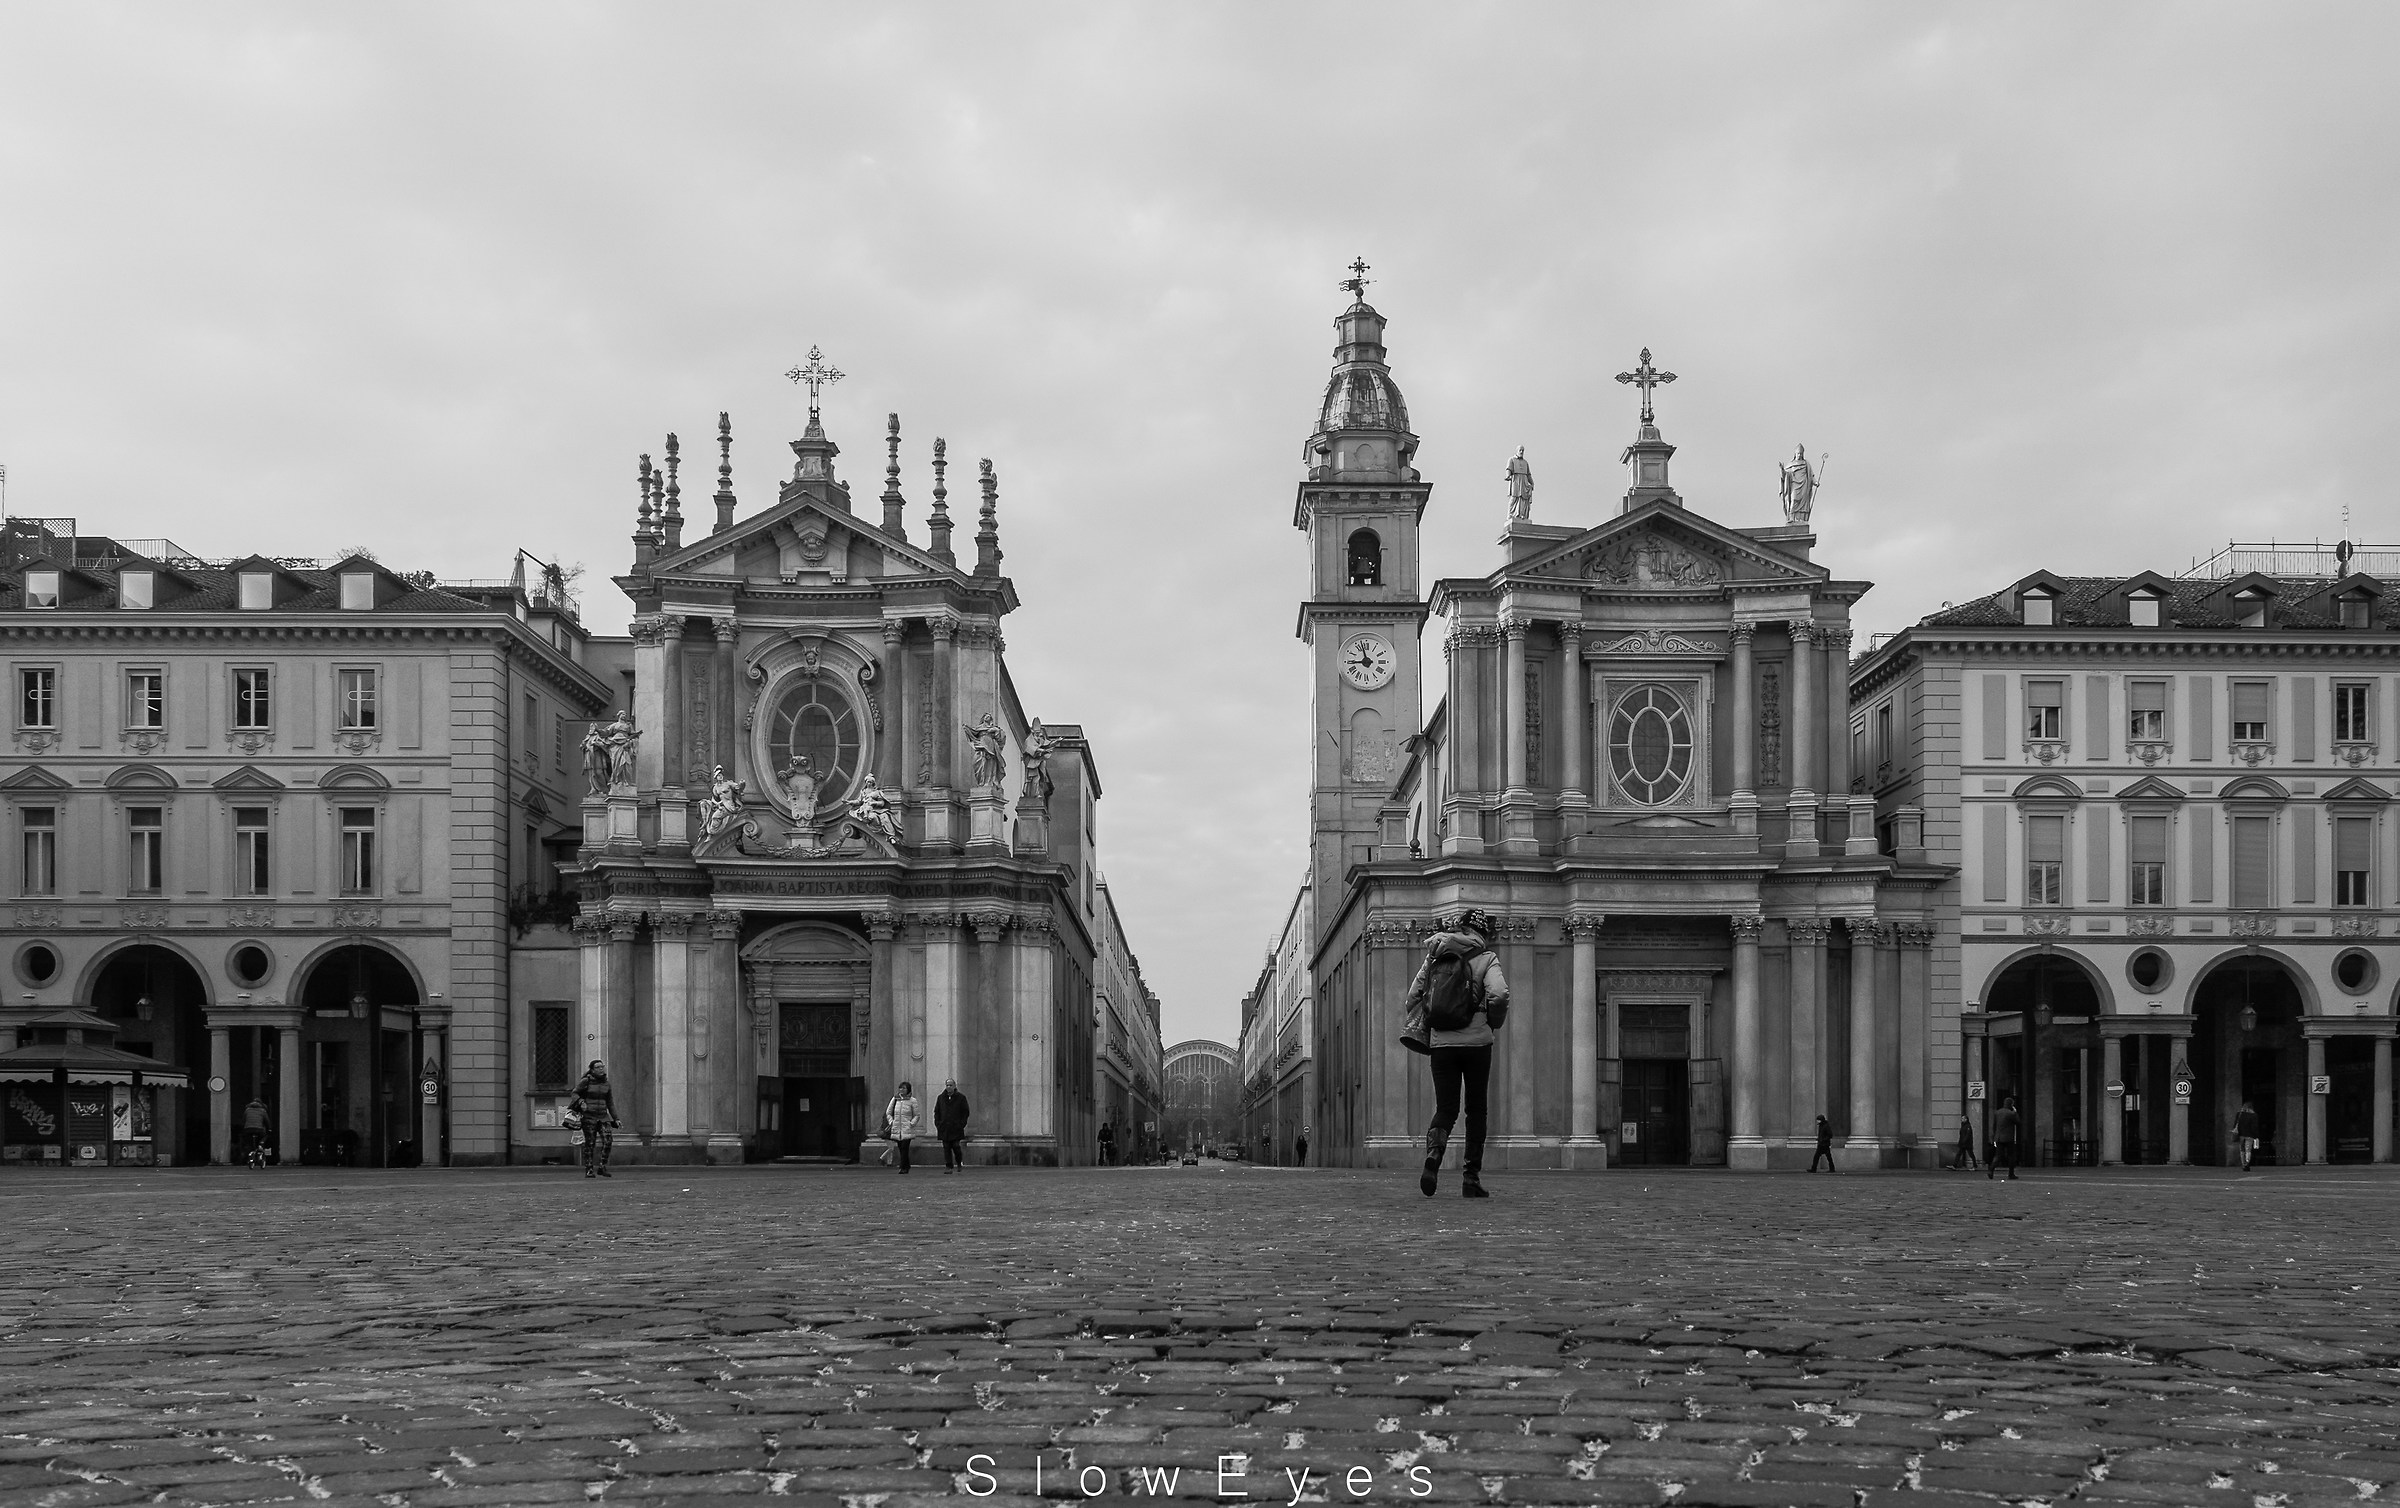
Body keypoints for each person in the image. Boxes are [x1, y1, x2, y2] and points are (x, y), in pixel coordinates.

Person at [1402, 908, 1508, 1199]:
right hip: (1477, 1045)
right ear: (1482, 933)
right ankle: (1470, 1179)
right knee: (1476, 1110)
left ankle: (1433, 1158)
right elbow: (1499, 994)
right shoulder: (1487, 959)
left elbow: (1411, 998)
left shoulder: (1435, 956)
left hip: (1442, 1046)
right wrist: (1491, 1021)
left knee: (1446, 1109)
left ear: (1458, 929)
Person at [570, 1060, 621, 1178]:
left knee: (608, 1141)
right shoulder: (586, 1081)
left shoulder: (606, 1084)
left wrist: (616, 1118)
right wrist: (581, 1101)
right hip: (589, 1116)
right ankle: (589, 1168)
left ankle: (602, 1166)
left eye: (602, 1067)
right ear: (592, 1070)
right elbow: (574, 1093)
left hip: (603, 1116)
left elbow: (610, 1102)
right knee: (590, 1143)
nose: (601, 1069)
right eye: (598, 1067)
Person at [883, 1081, 920, 1174]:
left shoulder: (913, 1101)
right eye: (900, 1088)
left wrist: (911, 1123)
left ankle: (903, 1166)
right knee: (900, 1147)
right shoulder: (895, 1099)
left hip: (906, 1127)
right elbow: (888, 1112)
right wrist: (891, 1121)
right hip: (897, 1127)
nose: (901, 1090)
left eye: (904, 1088)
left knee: (905, 1147)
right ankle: (906, 1165)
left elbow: (916, 1115)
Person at [935, 1078, 970, 1173]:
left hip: (956, 1127)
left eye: (950, 1085)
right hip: (944, 1127)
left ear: (954, 1086)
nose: (948, 1087)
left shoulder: (961, 1098)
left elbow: (965, 1112)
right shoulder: (941, 1098)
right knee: (946, 1147)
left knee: (956, 1146)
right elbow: (937, 1112)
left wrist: (961, 1124)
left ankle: (959, 1162)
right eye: (947, 1085)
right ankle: (949, 1166)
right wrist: (938, 1124)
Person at [1988, 1095, 2021, 1181]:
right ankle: (2011, 1174)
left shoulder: (1997, 1112)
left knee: (1998, 1155)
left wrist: (1994, 1136)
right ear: (2011, 1104)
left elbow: (1994, 1126)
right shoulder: (2011, 1113)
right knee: (2011, 1156)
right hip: (2008, 1138)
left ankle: (1991, 1169)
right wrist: (2015, 1112)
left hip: (1998, 1137)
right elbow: (2018, 1122)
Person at [239, 1097, 272, 1165]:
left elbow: (243, 1120)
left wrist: (243, 1129)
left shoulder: (247, 1110)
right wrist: (269, 1128)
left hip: (248, 1129)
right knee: (264, 1136)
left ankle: (250, 1153)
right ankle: (260, 1144)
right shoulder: (263, 1110)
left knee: (249, 1142)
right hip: (259, 1129)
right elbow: (267, 1121)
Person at [2234, 1100, 2260, 1171]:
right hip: (2250, 1135)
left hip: (2241, 1135)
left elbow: (2236, 1124)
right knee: (2248, 1150)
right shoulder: (2254, 1115)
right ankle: (2247, 1164)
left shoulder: (2239, 1114)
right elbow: (2254, 1127)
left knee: (2242, 1150)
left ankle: (2243, 1164)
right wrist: (2256, 1136)